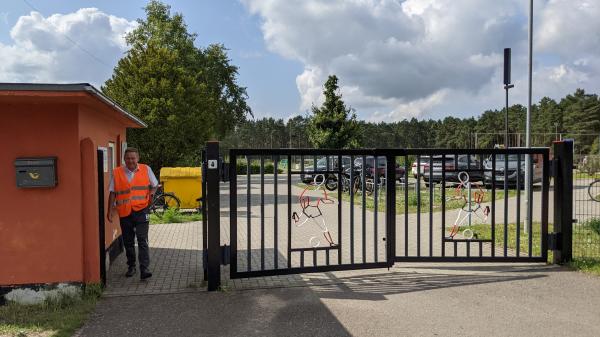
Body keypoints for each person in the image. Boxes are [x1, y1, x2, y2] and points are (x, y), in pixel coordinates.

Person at [106, 147, 158, 280]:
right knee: (128, 242)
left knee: (142, 240)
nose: (131, 161)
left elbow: (155, 185)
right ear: (124, 159)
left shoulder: (146, 169)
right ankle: (131, 266)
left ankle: (144, 269)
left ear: (138, 158)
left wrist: (151, 194)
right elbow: (112, 193)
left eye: (133, 158)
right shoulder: (117, 172)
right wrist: (110, 210)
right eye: (128, 158)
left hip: (141, 210)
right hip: (125, 212)